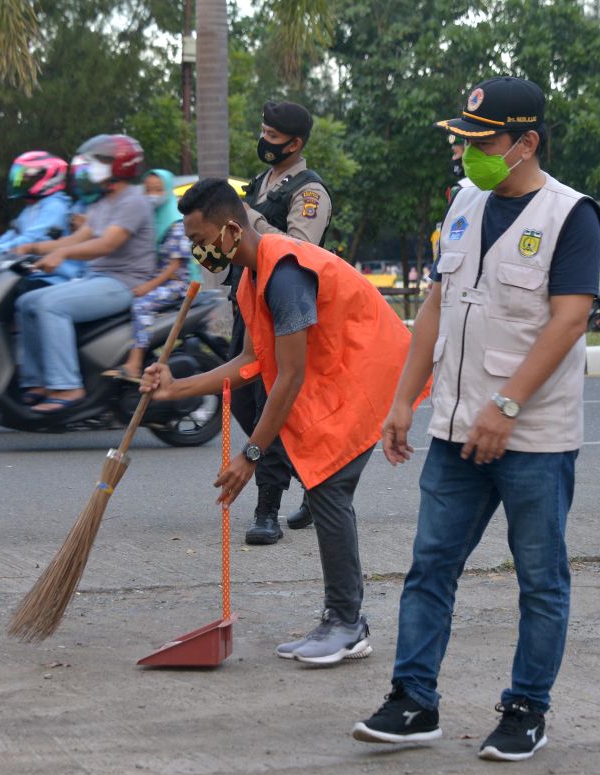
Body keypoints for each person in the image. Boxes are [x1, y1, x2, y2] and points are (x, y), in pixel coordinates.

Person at [352, 76, 600, 762]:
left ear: (526, 143)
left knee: (540, 578)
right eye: (462, 140)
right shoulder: (465, 201)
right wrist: (404, 397)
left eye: (481, 141)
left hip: (533, 438)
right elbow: (437, 303)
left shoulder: (571, 215)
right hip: (455, 431)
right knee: (429, 567)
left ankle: (526, 708)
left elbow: (570, 318)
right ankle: (414, 700)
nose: (467, 153)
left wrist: (508, 406)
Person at [140, 177, 414, 664]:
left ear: (229, 230)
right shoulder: (250, 278)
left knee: (328, 491)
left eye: (201, 241)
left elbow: (286, 377)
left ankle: (347, 624)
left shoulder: (284, 271)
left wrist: (250, 457)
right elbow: (250, 362)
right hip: (333, 377)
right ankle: (345, 620)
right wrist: (174, 389)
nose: (198, 251)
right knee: (328, 492)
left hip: (367, 374)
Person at [232, 101, 332, 544]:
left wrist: (247, 220)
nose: (264, 142)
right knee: (241, 399)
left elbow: (300, 249)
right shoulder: (260, 183)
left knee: (268, 400)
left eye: (273, 137)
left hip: (283, 311)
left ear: (296, 144)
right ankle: (315, 478)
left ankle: (267, 508)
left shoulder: (310, 192)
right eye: (263, 132)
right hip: (247, 306)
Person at [12, 134, 157, 413]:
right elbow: (77, 238)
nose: (91, 167)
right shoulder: (102, 203)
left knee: (49, 305)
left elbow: (107, 243)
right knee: (25, 302)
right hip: (96, 280)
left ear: (120, 164)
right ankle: (38, 382)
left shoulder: (133, 201)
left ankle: (68, 386)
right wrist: (31, 247)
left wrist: (62, 254)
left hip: (123, 283)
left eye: (99, 161)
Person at [108, 170, 193, 381]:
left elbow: (174, 265)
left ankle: (134, 364)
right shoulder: (150, 219)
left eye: (157, 189)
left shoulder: (175, 222)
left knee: (141, 304)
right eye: (147, 189)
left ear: (167, 189)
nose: (152, 194)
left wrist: (148, 286)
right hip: (155, 280)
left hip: (176, 284)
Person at [0, 151, 79, 284]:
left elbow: (33, 238)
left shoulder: (55, 206)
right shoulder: (31, 208)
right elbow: (12, 234)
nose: (20, 181)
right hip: (30, 275)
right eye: (18, 176)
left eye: (25, 176)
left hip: (53, 278)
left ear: (48, 177)